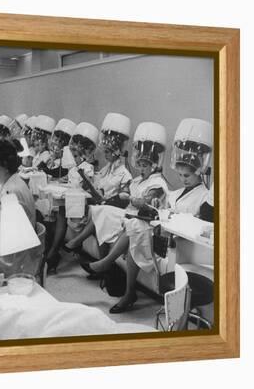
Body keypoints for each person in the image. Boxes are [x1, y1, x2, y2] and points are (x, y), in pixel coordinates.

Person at [111, 118, 212, 313]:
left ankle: (126, 290)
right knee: (136, 231)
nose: (183, 180)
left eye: (187, 176)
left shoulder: (204, 196)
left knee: (137, 230)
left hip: (182, 244)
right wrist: (159, 205)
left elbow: (197, 223)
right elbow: (165, 209)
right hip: (165, 235)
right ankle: (128, 291)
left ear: (199, 173)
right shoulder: (176, 193)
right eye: (180, 176)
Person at [63, 122, 169, 279]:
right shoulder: (137, 180)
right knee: (100, 211)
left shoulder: (157, 183)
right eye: (139, 165)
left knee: (103, 212)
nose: (141, 169)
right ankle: (97, 260)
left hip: (143, 222)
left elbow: (144, 202)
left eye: (144, 165)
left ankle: (98, 259)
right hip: (129, 214)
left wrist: (126, 197)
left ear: (154, 165)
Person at [45, 121, 99, 273]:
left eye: (76, 156)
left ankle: (54, 251)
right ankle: (52, 249)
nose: (74, 159)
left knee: (61, 211)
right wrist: (58, 183)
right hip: (74, 201)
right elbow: (66, 181)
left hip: (83, 204)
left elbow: (86, 188)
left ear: (84, 155)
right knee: (57, 209)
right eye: (73, 155)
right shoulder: (74, 169)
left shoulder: (87, 169)